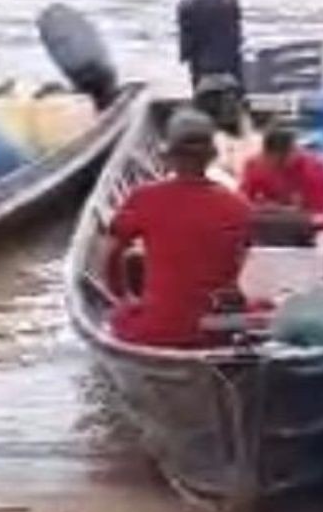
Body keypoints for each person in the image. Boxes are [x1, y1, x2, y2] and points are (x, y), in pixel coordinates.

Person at [101, 108, 254, 348]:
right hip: (217, 332)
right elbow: (243, 264)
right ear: (211, 156)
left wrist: (122, 298)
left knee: (119, 314)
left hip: (157, 330)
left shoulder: (144, 198)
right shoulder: (239, 206)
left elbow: (112, 253)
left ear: (170, 157)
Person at [239, 124, 323, 237]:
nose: (276, 167)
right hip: (267, 227)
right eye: (271, 161)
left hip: (308, 230)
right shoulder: (254, 165)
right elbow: (243, 203)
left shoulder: (315, 170)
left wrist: (290, 213)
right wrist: (265, 208)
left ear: (295, 151)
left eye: (281, 161)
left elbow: (322, 213)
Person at [176, 0, 243, 100]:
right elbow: (237, 38)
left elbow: (185, 51)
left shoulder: (187, 6)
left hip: (205, 76)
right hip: (233, 73)